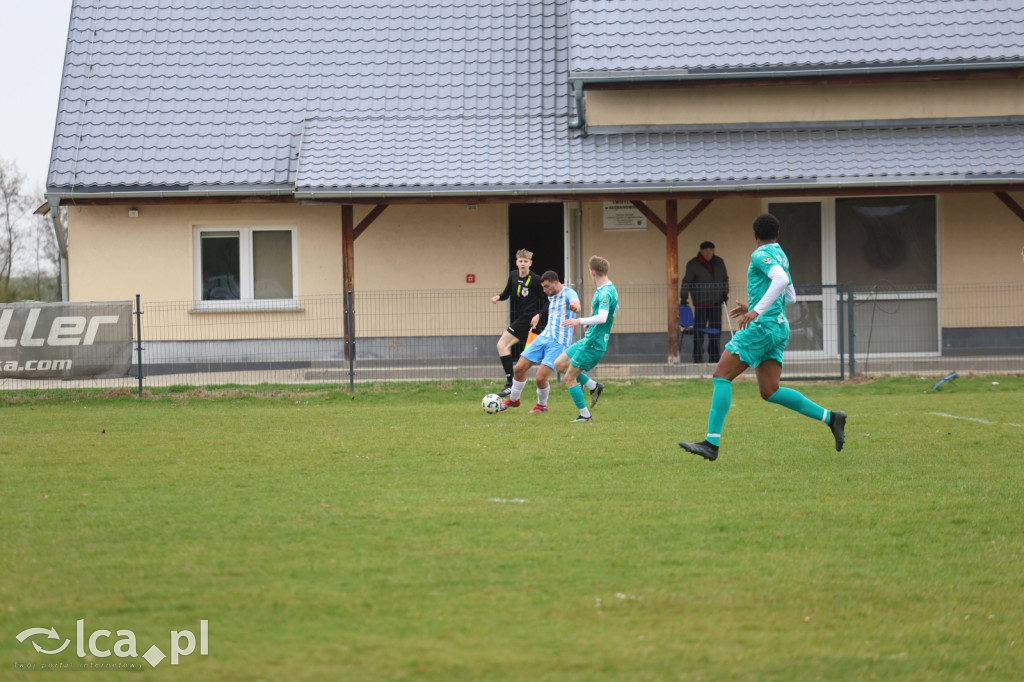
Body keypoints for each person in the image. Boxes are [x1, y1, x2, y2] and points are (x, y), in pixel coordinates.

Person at [678, 214, 846, 460]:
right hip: (778, 328)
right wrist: (754, 305)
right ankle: (831, 418)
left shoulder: (760, 254)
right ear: (777, 234)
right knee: (770, 390)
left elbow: (781, 281)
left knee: (721, 376)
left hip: (762, 327)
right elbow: (790, 297)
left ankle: (711, 444)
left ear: (755, 235)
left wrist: (756, 311)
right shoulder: (782, 255)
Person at [498, 271, 581, 413]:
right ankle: (514, 400)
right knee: (518, 368)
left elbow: (576, 304)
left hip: (558, 342)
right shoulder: (551, 296)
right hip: (543, 337)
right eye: (543, 287)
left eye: (546, 287)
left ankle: (542, 405)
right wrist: (538, 315)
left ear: (555, 283)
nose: (544, 290)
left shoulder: (569, 293)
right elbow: (548, 309)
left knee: (540, 378)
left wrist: (575, 306)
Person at [554, 256, 618, 423]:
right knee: (559, 364)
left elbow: (603, 317)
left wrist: (580, 320)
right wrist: (592, 323)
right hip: (589, 338)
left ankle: (585, 416)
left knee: (569, 377)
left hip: (593, 343)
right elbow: (615, 309)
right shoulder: (610, 288)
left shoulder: (604, 292)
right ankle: (593, 386)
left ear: (593, 272)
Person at [491, 249, 547, 397]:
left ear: (530, 263)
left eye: (526, 261)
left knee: (502, 345)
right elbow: (507, 292)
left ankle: (510, 385)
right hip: (523, 320)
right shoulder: (514, 275)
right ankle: (585, 382)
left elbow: (547, 301)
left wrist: (539, 315)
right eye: (520, 261)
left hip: (530, 322)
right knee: (546, 358)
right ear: (517, 262)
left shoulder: (536, 279)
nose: (523, 264)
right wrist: (498, 297)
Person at [680, 240, 729, 363]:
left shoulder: (719, 262)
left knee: (715, 332)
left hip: (716, 303)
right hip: (701, 304)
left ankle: (714, 357)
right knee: (699, 332)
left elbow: (725, 279)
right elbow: (687, 282)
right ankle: (697, 357)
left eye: (711, 251)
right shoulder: (693, 264)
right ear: (701, 251)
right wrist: (684, 297)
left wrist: (724, 293)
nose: (709, 253)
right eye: (706, 251)